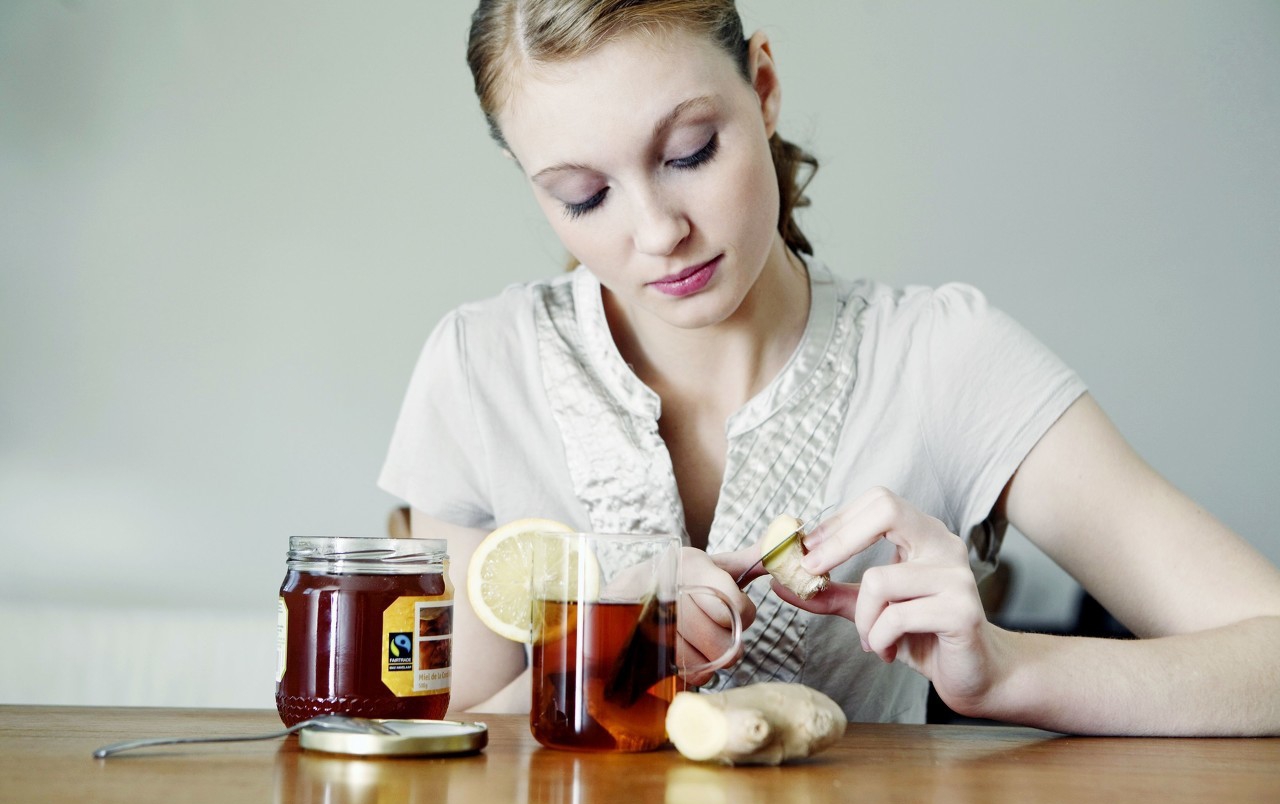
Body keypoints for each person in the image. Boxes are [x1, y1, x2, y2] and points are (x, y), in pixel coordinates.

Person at [379, 0, 1280, 735]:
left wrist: (1005, 671)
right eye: (584, 195)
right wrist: (603, 643)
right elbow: (434, 733)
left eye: (690, 151)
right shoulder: (479, 367)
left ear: (764, 88)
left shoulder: (942, 357)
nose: (657, 231)